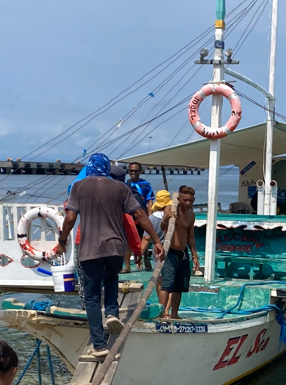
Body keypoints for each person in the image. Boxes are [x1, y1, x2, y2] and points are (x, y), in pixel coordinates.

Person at [56, 153, 163, 357]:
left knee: (93, 296)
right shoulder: (122, 188)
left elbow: (70, 217)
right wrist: (156, 241)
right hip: (116, 248)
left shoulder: (79, 187)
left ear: (89, 168)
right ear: (106, 168)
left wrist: (62, 241)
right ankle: (112, 313)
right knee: (112, 279)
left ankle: (99, 345)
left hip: (90, 249)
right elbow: (139, 216)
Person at [158, 187, 200, 320]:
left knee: (179, 286)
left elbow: (191, 237)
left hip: (183, 253)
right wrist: (165, 219)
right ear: (178, 199)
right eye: (185, 200)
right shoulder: (171, 209)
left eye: (191, 200)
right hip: (169, 252)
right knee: (167, 284)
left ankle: (174, 314)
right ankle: (162, 313)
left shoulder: (191, 215)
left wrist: (194, 255)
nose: (188, 203)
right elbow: (162, 227)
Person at [139, 189, 173, 271]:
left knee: (159, 275)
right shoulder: (173, 217)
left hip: (157, 250)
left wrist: (139, 256)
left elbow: (146, 238)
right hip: (172, 249)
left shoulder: (152, 218)